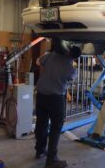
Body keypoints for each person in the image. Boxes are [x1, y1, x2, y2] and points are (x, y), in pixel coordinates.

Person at [34, 38, 81, 168]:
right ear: (74, 57)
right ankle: (51, 159)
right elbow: (70, 79)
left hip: (41, 95)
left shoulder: (50, 56)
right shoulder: (71, 69)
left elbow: (38, 62)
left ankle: (40, 150)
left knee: (41, 123)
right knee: (56, 126)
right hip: (56, 98)